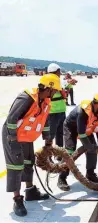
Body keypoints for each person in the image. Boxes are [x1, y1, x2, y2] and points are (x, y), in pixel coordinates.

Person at [2, 74, 61, 217]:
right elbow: (11, 119)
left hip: (26, 137)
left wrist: (47, 139)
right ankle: (17, 200)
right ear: (48, 88)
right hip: (13, 136)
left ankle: (30, 192)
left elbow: (44, 120)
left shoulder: (46, 101)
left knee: (28, 162)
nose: (54, 94)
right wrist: (13, 142)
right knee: (16, 166)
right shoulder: (27, 97)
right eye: (54, 91)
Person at [57, 92, 98, 191]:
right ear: (97, 103)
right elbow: (81, 133)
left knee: (93, 149)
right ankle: (62, 177)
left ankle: (90, 174)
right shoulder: (83, 111)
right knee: (70, 151)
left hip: (86, 128)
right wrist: (88, 146)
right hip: (71, 128)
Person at [47, 63, 67, 155]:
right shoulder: (48, 82)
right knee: (51, 135)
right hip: (52, 112)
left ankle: (59, 154)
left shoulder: (59, 81)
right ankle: (47, 155)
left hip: (61, 110)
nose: (60, 73)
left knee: (60, 133)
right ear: (55, 72)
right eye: (59, 71)